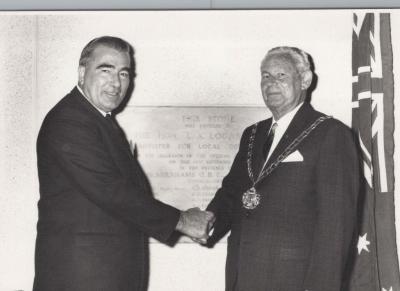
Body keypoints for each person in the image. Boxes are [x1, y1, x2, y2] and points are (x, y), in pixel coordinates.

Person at [33, 36, 214, 291]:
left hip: (103, 275)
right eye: (105, 70)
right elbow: (111, 190)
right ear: (82, 72)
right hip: (82, 279)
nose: (116, 83)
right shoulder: (70, 120)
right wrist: (182, 221)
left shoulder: (99, 121)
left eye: (124, 73)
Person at [206, 46, 360, 291]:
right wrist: (209, 218)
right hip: (242, 275)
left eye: (281, 76)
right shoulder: (252, 134)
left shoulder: (330, 133)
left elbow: (336, 226)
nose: (271, 84)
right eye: (265, 76)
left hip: (294, 281)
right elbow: (232, 191)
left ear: (305, 80)